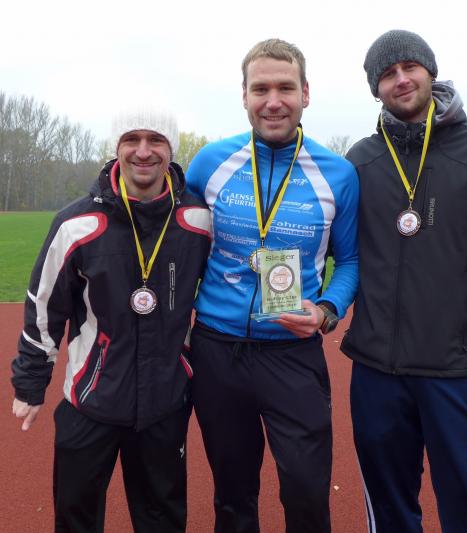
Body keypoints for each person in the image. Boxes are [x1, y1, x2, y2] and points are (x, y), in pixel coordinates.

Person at [341, 30, 467, 532]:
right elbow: (338, 252)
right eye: (387, 74)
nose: (401, 79)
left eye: (410, 67)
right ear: (375, 89)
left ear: (430, 71)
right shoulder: (359, 162)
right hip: (377, 375)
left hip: (458, 374)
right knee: (389, 512)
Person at [185, 38, 359, 533]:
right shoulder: (209, 163)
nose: (273, 101)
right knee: (232, 493)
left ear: (306, 93)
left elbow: (350, 260)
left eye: (286, 88)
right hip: (218, 350)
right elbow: (182, 246)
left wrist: (326, 311)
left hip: (292, 352)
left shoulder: (338, 174)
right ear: (244, 95)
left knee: (306, 491)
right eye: (261, 89)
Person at [10, 110, 211, 533]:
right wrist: (30, 382)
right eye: (131, 139)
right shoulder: (77, 223)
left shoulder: (198, 220)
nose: (143, 151)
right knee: (76, 519)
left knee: (163, 521)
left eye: (156, 139)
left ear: (171, 148)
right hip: (91, 399)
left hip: (164, 403)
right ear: (116, 148)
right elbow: (45, 305)